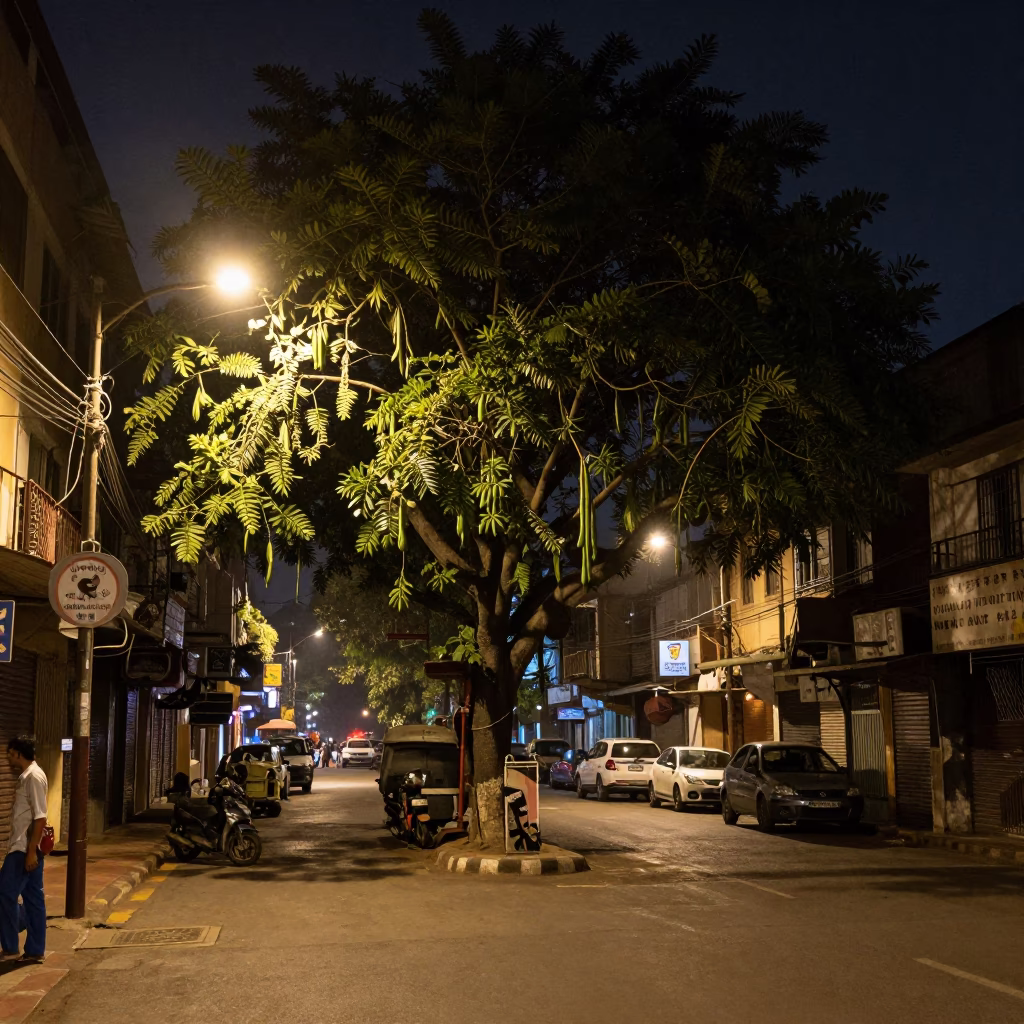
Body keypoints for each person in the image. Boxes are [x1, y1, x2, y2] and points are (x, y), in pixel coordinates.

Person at [1, 736, 47, 963]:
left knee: (5, 894)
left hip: (23, 848)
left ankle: (10, 947)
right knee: (33, 898)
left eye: (10, 754)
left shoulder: (33, 778)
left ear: (18, 753)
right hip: (26, 847)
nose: (8, 759)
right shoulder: (28, 777)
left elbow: (40, 817)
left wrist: (31, 851)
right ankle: (36, 949)